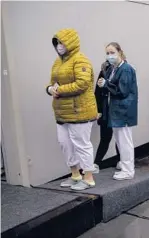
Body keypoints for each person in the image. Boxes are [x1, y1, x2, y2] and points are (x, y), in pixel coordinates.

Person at [46, 28, 97, 190]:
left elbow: (82, 84)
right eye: (57, 43)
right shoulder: (57, 62)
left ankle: (88, 178)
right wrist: (49, 89)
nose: (59, 46)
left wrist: (59, 90)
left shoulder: (81, 60)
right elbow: (52, 82)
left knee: (81, 144)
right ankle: (75, 175)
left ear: (70, 42)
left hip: (80, 112)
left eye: (62, 42)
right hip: (62, 113)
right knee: (65, 144)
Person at [97, 42, 138, 181]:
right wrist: (104, 84)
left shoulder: (125, 69)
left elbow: (122, 91)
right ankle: (125, 166)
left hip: (123, 111)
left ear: (120, 52)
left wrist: (106, 84)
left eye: (112, 52)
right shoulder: (114, 69)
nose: (110, 56)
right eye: (107, 53)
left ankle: (128, 170)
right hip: (116, 111)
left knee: (125, 142)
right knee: (120, 142)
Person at [94, 60, 120, 170]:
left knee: (120, 138)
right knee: (105, 137)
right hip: (105, 109)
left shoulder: (123, 71)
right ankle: (96, 163)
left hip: (118, 109)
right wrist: (98, 110)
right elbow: (97, 92)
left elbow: (122, 90)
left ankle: (121, 160)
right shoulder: (103, 71)